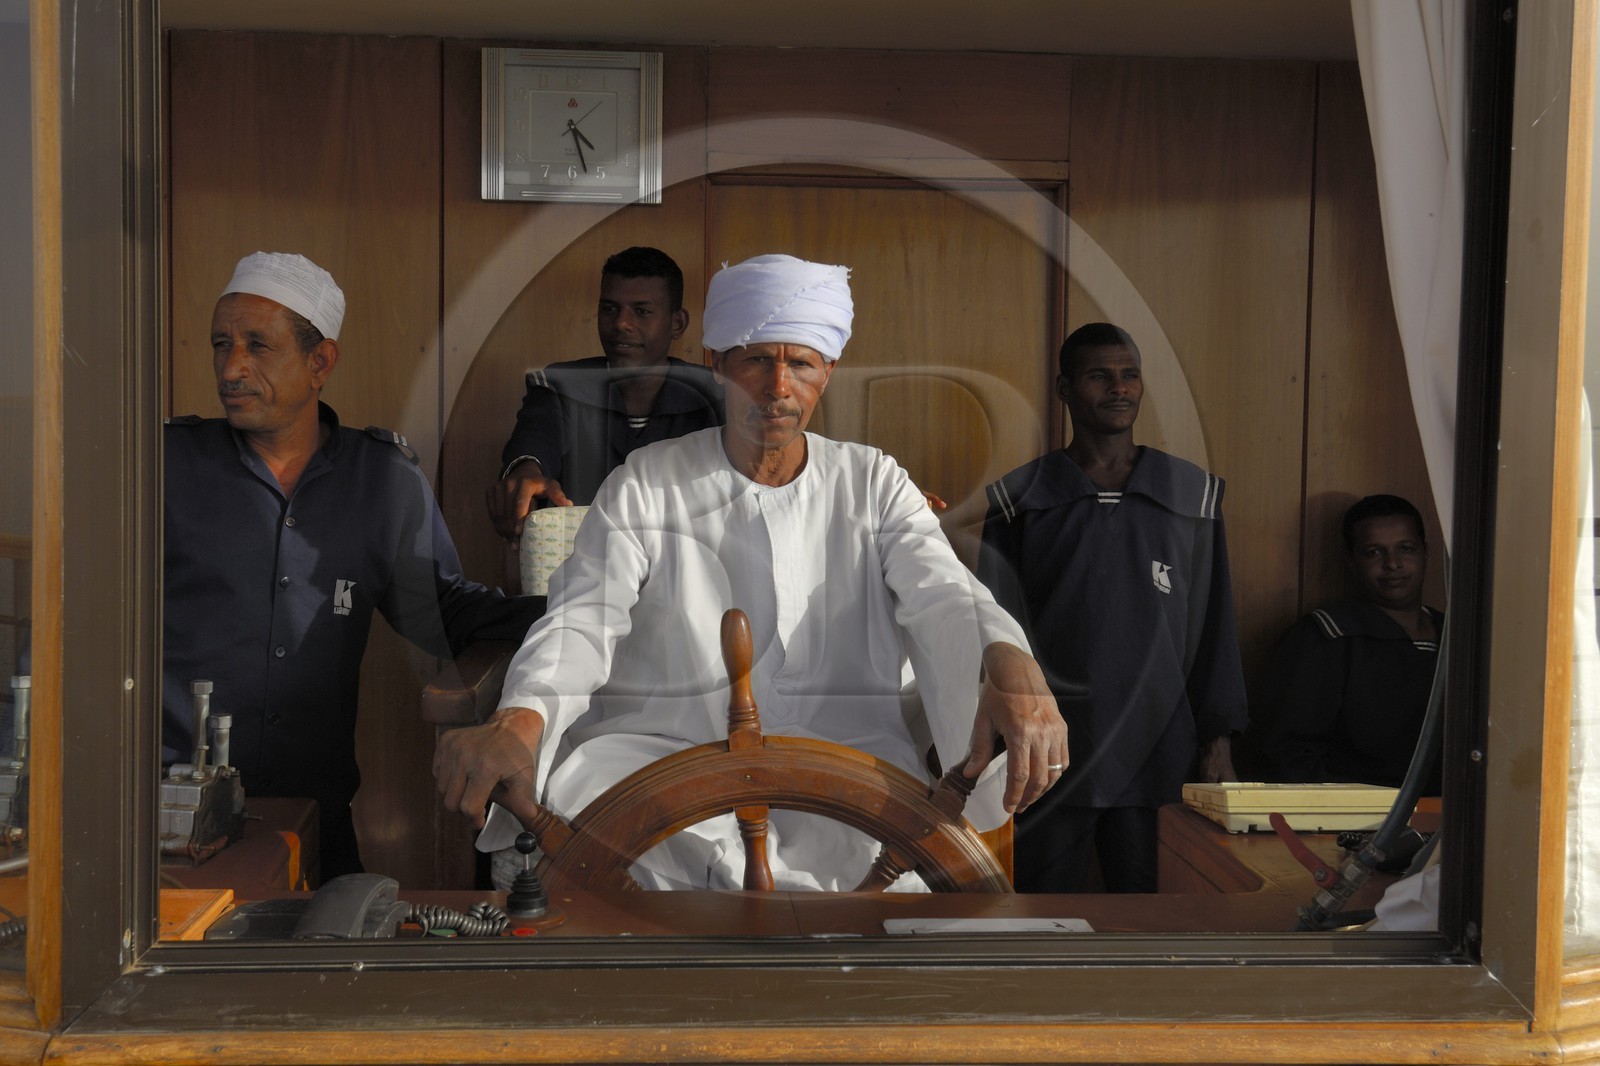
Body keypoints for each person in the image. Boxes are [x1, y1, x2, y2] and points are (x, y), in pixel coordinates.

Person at [435, 253, 1066, 891]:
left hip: (849, 768)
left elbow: (944, 592)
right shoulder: (648, 483)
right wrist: (521, 717)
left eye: (800, 363)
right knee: (614, 857)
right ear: (717, 364)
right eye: (756, 360)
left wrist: (1010, 659)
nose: (777, 387)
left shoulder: (873, 482)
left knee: (884, 897)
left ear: (829, 371)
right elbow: (582, 617)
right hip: (661, 757)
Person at [163, 252, 542, 879]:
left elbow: (444, 615)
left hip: (311, 814)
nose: (232, 368)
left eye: (258, 346)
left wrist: (584, 607)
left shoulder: (380, 479)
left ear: (321, 362)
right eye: (221, 344)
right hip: (169, 818)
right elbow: (77, 621)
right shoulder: (166, 467)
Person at [978, 322, 1248, 894]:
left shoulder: (1189, 496)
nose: (1118, 388)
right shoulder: (1020, 500)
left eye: (1130, 375)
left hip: (1162, 746)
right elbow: (991, 630)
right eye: (1100, 376)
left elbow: (1213, 629)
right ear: (1065, 389)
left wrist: (1217, 740)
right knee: (1042, 912)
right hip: (1050, 747)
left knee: (1158, 917)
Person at [486, 246, 724, 540]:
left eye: (642, 311)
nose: (621, 323)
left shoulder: (717, 394)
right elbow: (534, 439)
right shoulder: (560, 386)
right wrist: (524, 472)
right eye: (609, 308)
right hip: (585, 573)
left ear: (677, 323)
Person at [1253, 494, 1443, 792]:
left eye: (1406, 549)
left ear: (1425, 553)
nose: (1393, 564)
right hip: (1355, 826)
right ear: (1352, 561)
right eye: (1373, 552)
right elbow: (1288, 755)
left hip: (1452, 821)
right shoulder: (1327, 635)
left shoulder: (1457, 635)